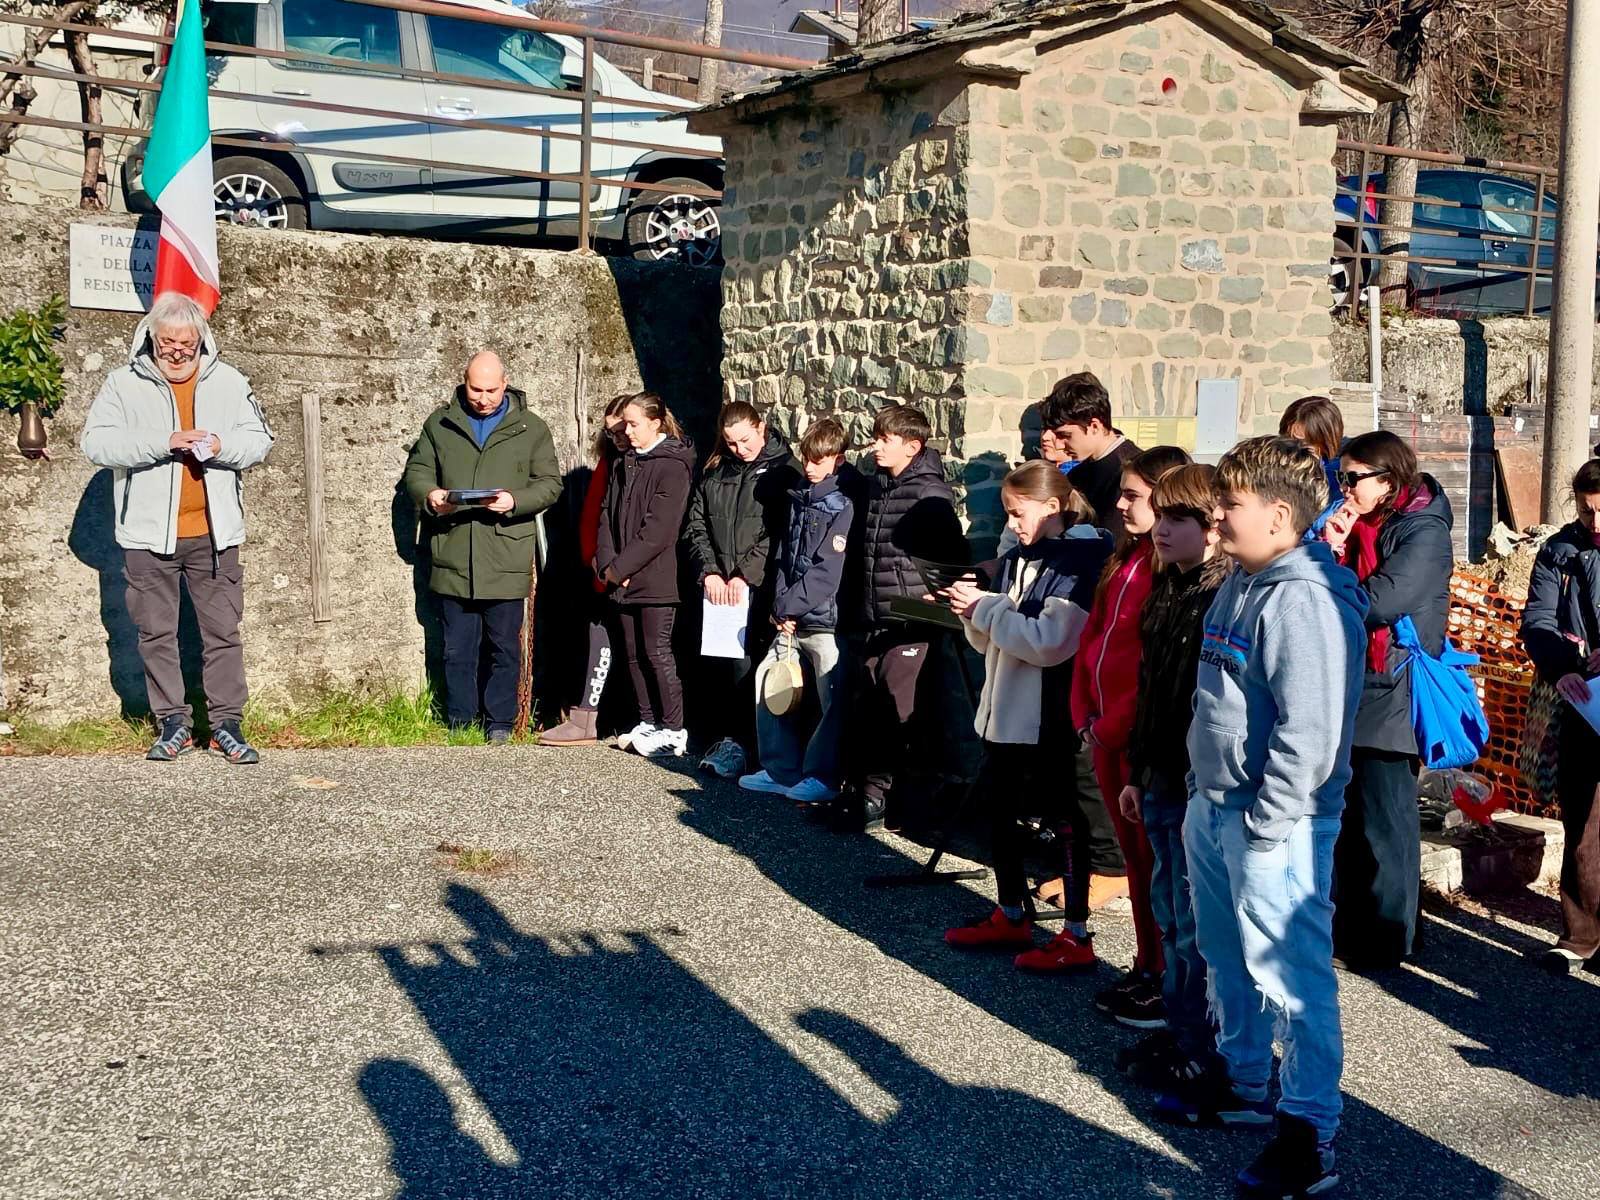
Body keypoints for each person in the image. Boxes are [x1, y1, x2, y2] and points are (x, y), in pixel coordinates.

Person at [1160, 436, 1367, 1200]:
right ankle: (1246, 1081)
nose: (1216, 517)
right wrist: (1200, 786)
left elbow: (1309, 735)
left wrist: (1266, 824)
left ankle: (1309, 1133)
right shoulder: (1241, 582)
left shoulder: (1306, 598)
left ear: (1279, 515)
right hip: (1216, 807)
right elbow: (1215, 698)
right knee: (1226, 956)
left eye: (1230, 505)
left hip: (1274, 826)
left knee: (1292, 982)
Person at [81, 293, 275, 764]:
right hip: (147, 538)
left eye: (186, 343)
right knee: (156, 635)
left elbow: (260, 440)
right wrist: (163, 442)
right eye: (167, 342)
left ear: (201, 339)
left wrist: (221, 445)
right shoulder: (123, 383)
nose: (177, 352)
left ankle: (226, 725)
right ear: (151, 338)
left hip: (215, 535)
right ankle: (173, 723)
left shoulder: (229, 381)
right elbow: (96, 444)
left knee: (223, 633)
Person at [942, 461, 1112, 972]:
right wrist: (972, 611)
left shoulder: (1081, 561)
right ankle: (1011, 911)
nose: (1012, 524)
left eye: (1019, 513)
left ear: (1053, 507)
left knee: (1065, 819)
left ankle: (1076, 931)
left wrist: (985, 610)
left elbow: (1049, 643)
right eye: (1008, 513)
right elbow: (995, 637)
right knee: (1000, 813)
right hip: (1005, 709)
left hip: (1049, 715)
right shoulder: (1019, 556)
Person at [1115, 464, 1231, 1090]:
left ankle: (1201, 1042)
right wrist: (1137, 771)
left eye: (1177, 518)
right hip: (1158, 772)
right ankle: (1179, 1023)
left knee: (1194, 921)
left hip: (1195, 780)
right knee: (1169, 909)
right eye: (1159, 516)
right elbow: (1151, 690)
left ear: (1211, 526)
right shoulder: (1167, 587)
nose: (1160, 529)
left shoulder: (1221, 596)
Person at [1320, 430, 1454, 970]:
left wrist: (1328, 576)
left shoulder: (1424, 529)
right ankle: (1355, 929)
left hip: (1394, 681)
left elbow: (1380, 600)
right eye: (1340, 476)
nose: (1345, 488)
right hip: (1354, 679)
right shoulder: (1353, 524)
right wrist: (1332, 547)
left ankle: (1392, 937)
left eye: (1354, 478)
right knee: (1351, 817)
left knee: (1387, 819)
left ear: (1389, 480)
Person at [1071, 444, 1190, 1028]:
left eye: (1133, 496)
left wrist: (1110, 724)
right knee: (1138, 864)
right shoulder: (1125, 558)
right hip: (1102, 730)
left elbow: (1149, 667)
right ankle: (1147, 962)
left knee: (1153, 863)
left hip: (1130, 735)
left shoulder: (1164, 571)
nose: (1120, 505)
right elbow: (1094, 638)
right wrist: (1082, 711)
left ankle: (1166, 971)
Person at [403, 352, 562, 744]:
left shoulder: (531, 428)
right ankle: (460, 722)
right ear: (464, 381)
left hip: (505, 554)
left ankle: (500, 724)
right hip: (453, 551)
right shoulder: (440, 423)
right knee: (456, 648)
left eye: (492, 390)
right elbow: (417, 472)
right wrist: (431, 496)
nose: (484, 398)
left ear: (505, 384)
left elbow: (550, 484)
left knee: (504, 648)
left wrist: (515, 501)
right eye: (476, 389)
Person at [828, 404, 968, 831]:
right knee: (871, 706)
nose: (876, 447)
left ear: (912, 446)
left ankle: (890, 800)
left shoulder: (930, 495)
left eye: (885, 439)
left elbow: (953, 560)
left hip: (911, 623)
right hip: (875, 620)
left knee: (900, 711)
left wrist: (930, 597)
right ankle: (866, 792)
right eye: (875, 437)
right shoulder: (878, 487)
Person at [740, 418, 858, 804]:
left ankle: (823, 776)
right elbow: (785, 556)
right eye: (806, 458)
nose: (808, 467)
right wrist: (780, 608)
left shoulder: (843, 504)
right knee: (769, 681)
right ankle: (780, 770)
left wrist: (787, 605)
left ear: (838, 459)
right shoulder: (800, 497)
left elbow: (827, 572)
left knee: (832, 698)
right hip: (790, 618)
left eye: (817, 461)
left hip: (825, 621)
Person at [682, 401, 802, 779]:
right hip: (719, 589)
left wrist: (745, 574)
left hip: (760, 587)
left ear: (761, 427)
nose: (740, 449)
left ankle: (749, 747)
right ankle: (727, 740)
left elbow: (780, 531)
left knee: (749, 669)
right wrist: (709, 571)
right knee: (721, 667)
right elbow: (695, 524)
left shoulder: (785, 470)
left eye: (746, 440)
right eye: (732, 442)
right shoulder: (716, 470)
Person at [1519, 456, 1600, 974]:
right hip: (1582, 699)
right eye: (1586, 510)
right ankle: (1580, 935)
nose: (1595, 521)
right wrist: (1561, 667)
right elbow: (1538, 620)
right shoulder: (1558, 550)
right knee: (1582, 821)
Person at [595, 392, 696, 758]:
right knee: (633, 654)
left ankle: (674, 729)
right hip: (620, 578)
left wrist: (620, 568)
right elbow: (607, 516)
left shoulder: (673, 466)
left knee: (656, 652)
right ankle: (648, 721)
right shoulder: (624, 463)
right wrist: (608, 566)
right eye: (625, 425)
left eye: (634, 424)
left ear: (655, 423)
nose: (627, 432)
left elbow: (659, 531)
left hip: (656, 578)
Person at [541, 395, 633, 747]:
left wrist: (618, 566)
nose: (617, 437)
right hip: (599, 569)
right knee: (597, 643)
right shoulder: (608, 464)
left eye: (621, 429)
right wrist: (596, 563)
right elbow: (596, 518)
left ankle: (623, 717)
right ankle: (587, 717)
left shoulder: (642, 466)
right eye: (610, 432)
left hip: (627, 572)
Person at [1044, 371, 1143, 536]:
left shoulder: (1139, 471)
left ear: (1095, 426)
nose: (1059, 445)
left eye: (1065, 435)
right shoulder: (1076, 474)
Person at [1279, 395, 1345, 505]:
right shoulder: (1274, 467)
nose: (1293, 450)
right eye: (1287, 440)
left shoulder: (1340, 478)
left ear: (1326, 441)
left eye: (1303, 444)